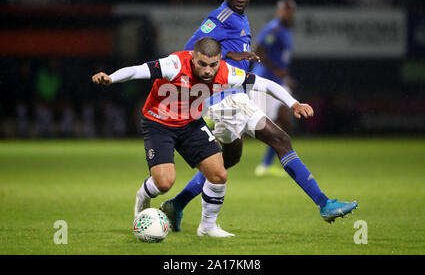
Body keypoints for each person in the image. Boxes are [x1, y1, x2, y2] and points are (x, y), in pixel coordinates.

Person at [160, 0, 358, 232]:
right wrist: (233, 55)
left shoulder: (239, 18)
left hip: (234, 96)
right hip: (225, 98)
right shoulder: (219, 18)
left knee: (227, 160)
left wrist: (234, 55)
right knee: (281, 139)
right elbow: (189, 51)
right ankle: (324, 203)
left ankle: (177, 204)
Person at [92, 37, 316, 237]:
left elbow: (264, 84)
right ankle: (143, 197)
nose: (208, 70)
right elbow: (137, 70)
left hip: (190, 124)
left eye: (213, 64)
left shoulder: (226, 71)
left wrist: (294, 103)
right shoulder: (175, 64)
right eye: (202, 64)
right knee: (164, 182)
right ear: (193, 58)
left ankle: (207, 227)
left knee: (219, 174)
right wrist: (110, 78)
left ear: (219, 60)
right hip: (159, 124)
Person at [251, 0, 297, 176]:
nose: (288, 14)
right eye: (285, 10)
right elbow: (258, 50)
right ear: (279, 11)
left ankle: (266, 164)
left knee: (285, 120)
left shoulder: (285, 31)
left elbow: (280, 60)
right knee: (248, 126)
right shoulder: (274, 28)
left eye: (290, 11)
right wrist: (276, 70)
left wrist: (285, 77)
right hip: (265, 82)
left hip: (278, 83)